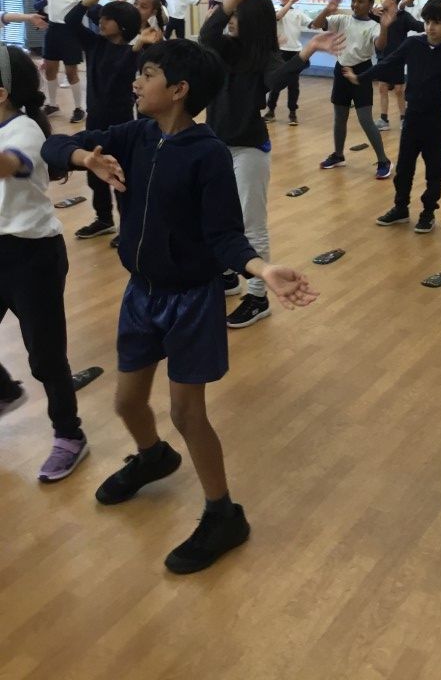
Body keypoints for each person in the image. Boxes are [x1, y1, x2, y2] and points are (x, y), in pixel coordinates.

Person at [42, 40, 318, 574]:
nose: (136, 82)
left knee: (186, 413)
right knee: (126, 403)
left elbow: (225, 235)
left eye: (147, 74)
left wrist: (261, 270)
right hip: (141, 294)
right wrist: (85, 159)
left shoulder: (207, 153)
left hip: (191, 300)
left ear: (178, 90)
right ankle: (153, 457)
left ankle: (223, 514)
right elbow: (58, 144)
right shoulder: (134, 135)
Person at [199, 0, 341, 328]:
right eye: (232, 13)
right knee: (215, 217)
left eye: (238, 14)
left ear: (252, 21)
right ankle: (228, 275)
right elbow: (207, 33)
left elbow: (277, 79)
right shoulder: (223, 48)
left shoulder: (264, 57)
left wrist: (308, 49)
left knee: (252, 225)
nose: (232, 19)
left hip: (248, 149)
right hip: (216, 147)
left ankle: (258, 296)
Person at [0, 43, 88, 481]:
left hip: (32, 257)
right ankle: (4, 391)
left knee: (46, 356)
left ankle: (69, 435)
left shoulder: (25, 130)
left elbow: (9, 165)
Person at [344, 0, 441, 233]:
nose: (430, 27)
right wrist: (361, 77)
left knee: (434, 172)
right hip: (412, 118)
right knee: (404, 168)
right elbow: (387, 64)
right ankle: (400, 208)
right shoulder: (412, 44)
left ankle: (428, 212)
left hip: (437, 121)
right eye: (428, 22)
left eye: (437, 23)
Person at [63, 0, 141, 240]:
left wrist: (139, 47)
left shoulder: (132, 52)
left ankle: (128, 227)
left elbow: (123, 71)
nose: (101, 22)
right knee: (95, 173)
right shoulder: (95, 43)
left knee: (120, 175)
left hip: (120, 124)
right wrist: (88, 1)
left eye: (108, 19)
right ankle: (104, 219)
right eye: (102, 18)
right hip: (95, 120)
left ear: (123, 25)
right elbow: (70, 21)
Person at [310, 0, 393, 179]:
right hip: (341, 71)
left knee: (365, 119)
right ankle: (338, 155)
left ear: (370, 4)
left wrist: (384, 27)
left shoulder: (373, 26)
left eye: (361, 1)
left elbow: (380, 45)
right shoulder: (342, 19)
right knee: (340, 117)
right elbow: (316, 24)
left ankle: (383, 160)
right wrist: (327, 10)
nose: (355, 4)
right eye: (353, 0)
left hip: (361, 73)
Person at [30, 0, 89, 123]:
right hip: (53, 30)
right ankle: (52, 104)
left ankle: (79, 108)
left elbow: (88, 5)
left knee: (71, 72)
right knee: (50, 70)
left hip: (70, 32)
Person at [373, 0, 424, 131]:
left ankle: (403, 118)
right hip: (383, 56)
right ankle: (384, 119)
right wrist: (371, 10)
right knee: (382, 87)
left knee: (399, 89)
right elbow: (365, 15)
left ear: (393, 0)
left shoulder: (404, 17)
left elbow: (419, 26)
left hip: (398, 58)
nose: (381, 0)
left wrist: (431, 22)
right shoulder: (379, 14)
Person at [265, 0, 312, 125]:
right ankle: (271, 110)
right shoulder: (274, 9)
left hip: (295, 52)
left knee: (293, 84)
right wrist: (291, 2)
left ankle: (292, 112)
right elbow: (278, 17)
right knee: (276, 83)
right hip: (280, 52)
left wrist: (327, 13)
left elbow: (312, 23)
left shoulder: (298, 13)